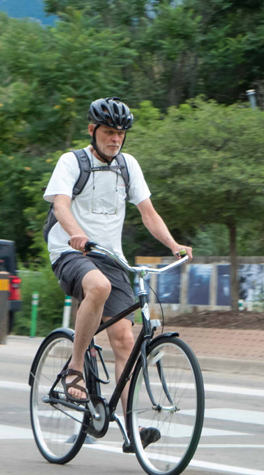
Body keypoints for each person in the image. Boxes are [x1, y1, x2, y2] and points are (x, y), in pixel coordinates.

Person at [44, 97, 192, 453]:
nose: (115, 139)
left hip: (111, 256)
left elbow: (148, 213)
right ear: (92, 130)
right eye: (109, 132)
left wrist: (174, 244)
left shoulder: (128, 166)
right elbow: (60, 204)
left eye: (121, 133)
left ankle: (130, 428)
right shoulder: (72, 162)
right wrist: (76, 234)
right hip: (71, 250)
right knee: (98, 285)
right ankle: (75, 368)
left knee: (125, 340)